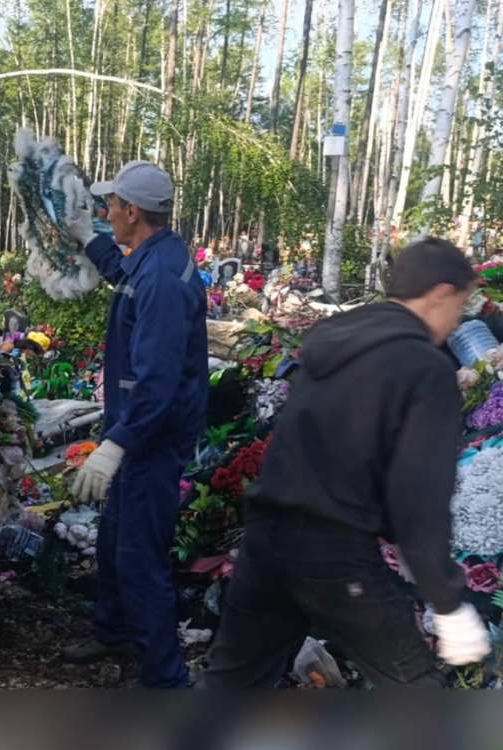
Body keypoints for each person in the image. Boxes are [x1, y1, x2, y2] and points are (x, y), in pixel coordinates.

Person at [203, 237, 490, 688]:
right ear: (439, 294)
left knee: (230, 686)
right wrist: (449, 603)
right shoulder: (421, 366)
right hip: (334, 556)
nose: (460, 319)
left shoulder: (332, 343)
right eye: (460, 303)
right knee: (416, 697)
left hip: (265, 539)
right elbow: (418, 499)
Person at [62, 161, 208, 688]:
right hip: (137, 430)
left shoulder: (165, 280)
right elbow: (120, 272)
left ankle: (166, 682)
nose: (104, 214)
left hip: (152, 436)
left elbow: (158, 382)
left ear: (132, 211)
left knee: (138, 555)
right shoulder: (151, 260)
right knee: (114, 535)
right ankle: (115, 628)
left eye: (109, 207)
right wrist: (88, 241)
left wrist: (117, 444)